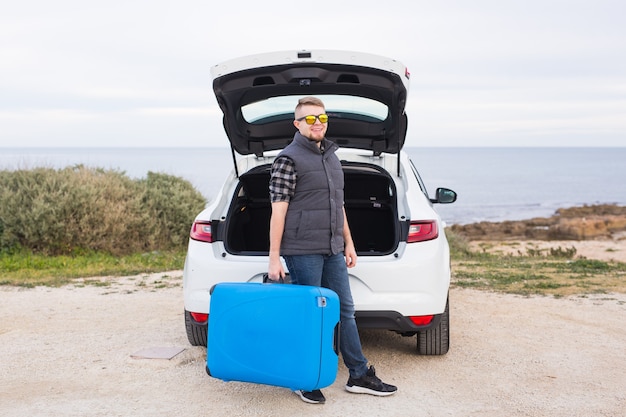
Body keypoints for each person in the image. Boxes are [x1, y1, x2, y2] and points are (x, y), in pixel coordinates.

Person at [267, 96, 398, 404]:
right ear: (297, 124)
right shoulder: (288, 159)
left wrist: (348, 243)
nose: (318, 124)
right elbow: (278, 210)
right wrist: (274, 257)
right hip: (302, 250)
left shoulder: (332, 157)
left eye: (323, 119)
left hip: (332, 248)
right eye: (311, 119)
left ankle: (358, 374)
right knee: (310, 316)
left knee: (345, 311)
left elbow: (337, 205)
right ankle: (302, 377)